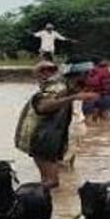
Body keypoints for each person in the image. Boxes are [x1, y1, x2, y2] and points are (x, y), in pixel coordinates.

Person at [13, 60, 97, 190]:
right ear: (80, 76)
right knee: (52, 182)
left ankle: (40, 201)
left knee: (50, 180)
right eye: (89, 75)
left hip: (47, 138)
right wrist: (74, 97)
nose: (91, 78)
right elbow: (43, 106)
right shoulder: (59, 88)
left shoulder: (64, 86)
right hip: (41, 138)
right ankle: (26, 194)